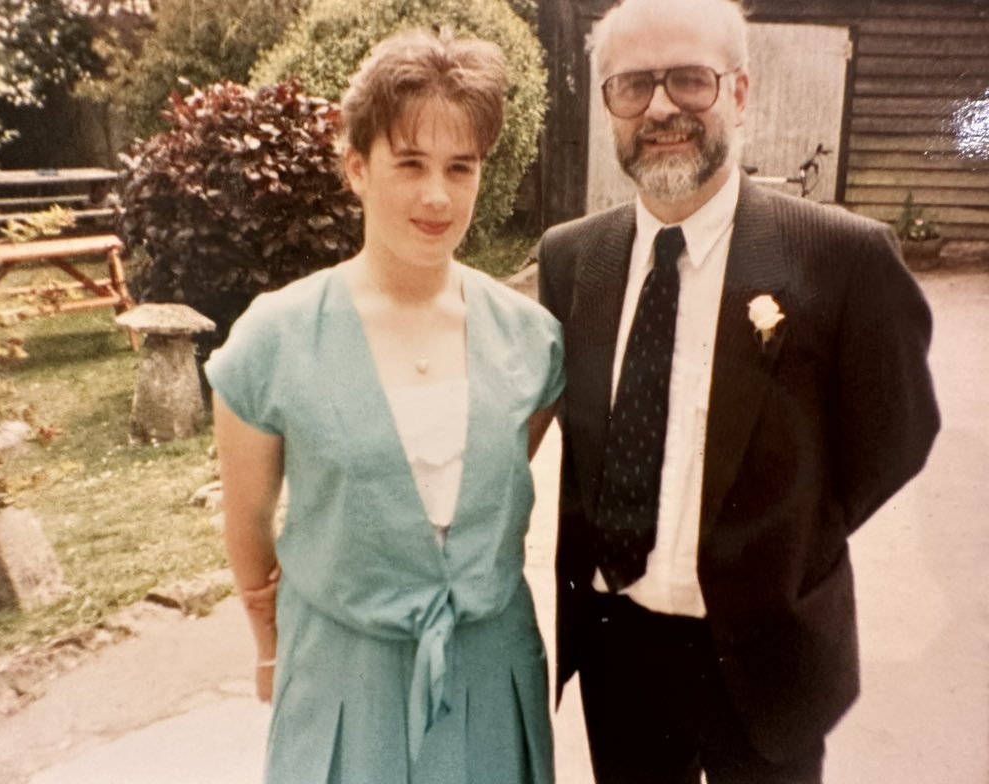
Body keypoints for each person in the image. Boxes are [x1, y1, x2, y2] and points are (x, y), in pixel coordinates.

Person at [536, 0, 940, 782]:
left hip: (768, 654)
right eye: (632, 86)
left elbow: (898, 435)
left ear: (741, 94)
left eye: (690, 80)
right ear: (609, 104)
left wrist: (790, 532)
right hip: (620, 651)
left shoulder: (842, 260)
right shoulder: (570, 261)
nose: (660, 107)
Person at [206, 28, 564, 784]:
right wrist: (271, 648)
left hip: (490, 669)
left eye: (459, 167)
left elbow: (477, 497)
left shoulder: (531, 339)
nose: (437, 195)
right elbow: (249, 530)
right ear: (357, 168)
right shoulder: (276, 337)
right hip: (344, 676)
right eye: (409, 164)